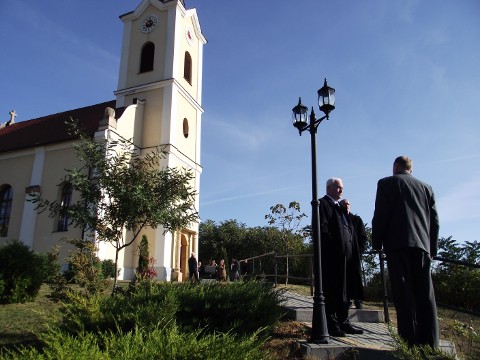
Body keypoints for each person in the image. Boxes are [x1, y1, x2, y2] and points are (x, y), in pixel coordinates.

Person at [372, 156, 440, 349]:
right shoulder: (427, 188)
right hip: (422, 247)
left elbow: (381, 214)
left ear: (395, 166)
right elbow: (434, 221)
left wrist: (377, 242)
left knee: (404, 295)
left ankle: (409, 343)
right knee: (425, 295)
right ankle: (430, 343)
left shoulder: (386, 183)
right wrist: (432, 249)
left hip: (397, 245)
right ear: (411, 168)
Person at [318, 178, 363, 337]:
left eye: (342, 188)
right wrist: (335, 248)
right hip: (333, 257)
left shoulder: (341, 208)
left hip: (348, 257)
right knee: (332, 291)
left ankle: (344, 322)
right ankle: (332, 325)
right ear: (329, 188)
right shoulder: (322, 204)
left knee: (346, 291)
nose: (341, 191)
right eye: (338, 188)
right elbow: (322, 229)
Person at [339, 199, 366, 310]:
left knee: (356, 276)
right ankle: (347, 299)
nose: (346, 206)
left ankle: (358, 300)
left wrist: (359, 250)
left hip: (355, 254)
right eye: (344, 204)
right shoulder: (339, 220)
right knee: (345, 277)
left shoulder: (356, 220)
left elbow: (363, 236)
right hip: (344, 254)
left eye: (348, 204)